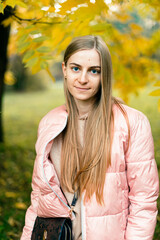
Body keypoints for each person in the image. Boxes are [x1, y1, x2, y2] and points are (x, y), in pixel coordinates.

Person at [21, 35, 159, 240]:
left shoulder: (132, 122)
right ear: (64, 70)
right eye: (76, 68)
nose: (83, 79)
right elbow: (40, 198)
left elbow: (143, 200)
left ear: (105, 75)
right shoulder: (50, 124)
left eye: (94, 71)